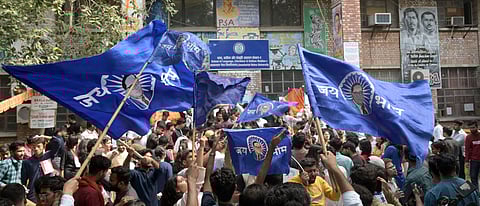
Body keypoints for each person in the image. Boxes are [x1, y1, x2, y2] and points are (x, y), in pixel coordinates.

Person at [22, 136, 62, 202]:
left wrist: (43, 136)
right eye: (34, 146)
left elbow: (58, 142)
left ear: (44, 146)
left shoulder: (49, 155)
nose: (36, 149)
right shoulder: (27, 162)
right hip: (34, 192)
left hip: (49, 190)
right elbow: (23, 180)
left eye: (38, 146)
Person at [465, 121, 480, 187]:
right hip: (474, 160)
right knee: (473, 177)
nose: (472, 129)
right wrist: (467, 161)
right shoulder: (468, 137)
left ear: (477, 127)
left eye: (473, 127)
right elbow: (467, 149)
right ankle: (476, 194)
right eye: (470, 128)